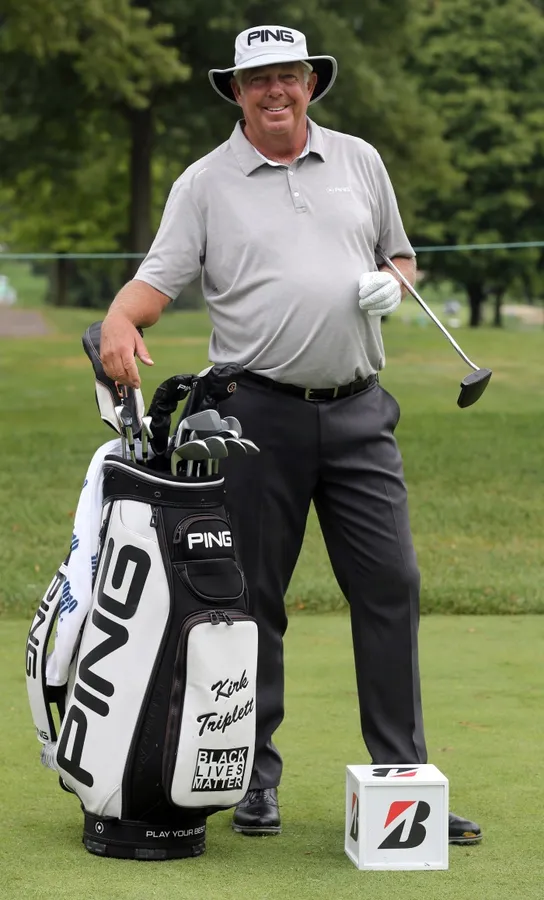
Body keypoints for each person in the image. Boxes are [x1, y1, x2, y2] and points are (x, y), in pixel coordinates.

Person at [99, 25, 482, 845]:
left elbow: (400, 258)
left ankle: (401, 779)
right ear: (236, 92)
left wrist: (391, 284)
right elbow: (154, 284)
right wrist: (120, 321)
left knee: (391, 584)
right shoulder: (205, 182)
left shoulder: (359, 160)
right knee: (249, 600)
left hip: (359, 411)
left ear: (311, 82)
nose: (275, 91)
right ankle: (252, 780)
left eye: (289, 76)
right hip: (253, 415)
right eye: (258, 79)